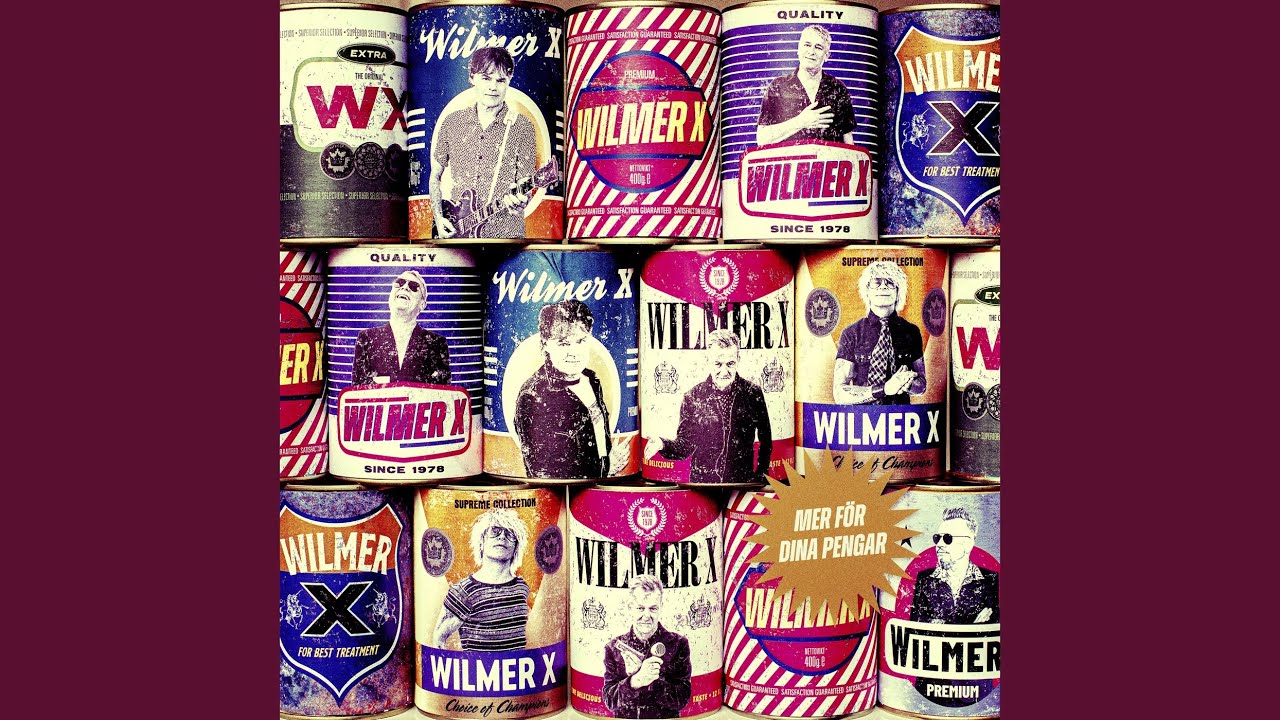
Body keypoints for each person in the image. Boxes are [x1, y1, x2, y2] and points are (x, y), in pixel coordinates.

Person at [514, 301, 630, 479]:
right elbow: (543, 471)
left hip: (600, 483)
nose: (574, 352)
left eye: (581, 341)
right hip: (562, 490)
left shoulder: (592, 380)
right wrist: (607, 467)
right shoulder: (533, 395)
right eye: (563, 344)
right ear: (545, 344)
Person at [430, 46, 536, 239]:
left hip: (505, 236)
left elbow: (526, 183)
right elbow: (435, 176)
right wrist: (438, 217)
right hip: (458, 233)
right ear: (472, 77)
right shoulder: (452, 122)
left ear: (509, 80)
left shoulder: (522, 126)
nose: (493, 87)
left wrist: (521, 201)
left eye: (501, 80)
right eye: (486, 78)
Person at [644, 329, 771, 484]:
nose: (724, 371)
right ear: (708, 360)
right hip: (702, 484)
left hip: (742, 483)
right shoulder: (693, 396)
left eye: (730, 364)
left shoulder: (753, 393)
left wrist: (761, 476)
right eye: (718, 364)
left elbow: (766, 441)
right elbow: (685, 446)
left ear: (738, 359)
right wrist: (662, 444)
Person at [433, 509, 531, 651]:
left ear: (516, 546)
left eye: (510, 534)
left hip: (518, 664)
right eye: (495, 531)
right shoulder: (464, 590)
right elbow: (438, 638)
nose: (502, 537)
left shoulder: (521, 587)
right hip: (476, 665)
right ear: (481, 542)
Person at [832, 261, 926, 405]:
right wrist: (884, 389)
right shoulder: (851, 333)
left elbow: (922, 385)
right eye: (876, 282)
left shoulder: (911, 331)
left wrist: (907, 383)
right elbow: (839, 393)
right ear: (867, 291)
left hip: (901, 415)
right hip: (862, 415)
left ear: (898, 291)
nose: (883, 286)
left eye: (890, 282)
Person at [602, 575, 692, 719]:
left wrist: (651, 680)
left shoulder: (678, 644)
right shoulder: (613, 648)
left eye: (653, 608)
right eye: (640, 608)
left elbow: (682, 699)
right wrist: (635, 680)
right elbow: (610, 701)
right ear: (630, 607)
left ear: (661, 607)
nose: (646, 615)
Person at [756, 25, 857, 146]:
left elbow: (848, 141)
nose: (811, 52)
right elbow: (762, 139)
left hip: (828, 158)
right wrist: (801, 121)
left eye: (818, 47)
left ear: (827, 55)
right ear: (798, 49)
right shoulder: (778, 86)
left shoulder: (838, 89)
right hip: (790, 159)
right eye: (807, 45)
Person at [351, 270, 450, 387]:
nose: (405, 287)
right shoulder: (366, 338)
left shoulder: (436, 344)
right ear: (390, 296)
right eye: (400, 283)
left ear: (422, 304)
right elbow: (357, 390)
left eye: (413, 286)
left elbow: (443, 391)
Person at [909, 508, 999, 625]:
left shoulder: (990, 580)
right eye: (937, 538)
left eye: (948, 538)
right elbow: (916, 627)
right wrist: (973, 626)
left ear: (968, 544)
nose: (939, 544)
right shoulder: (925, 579)